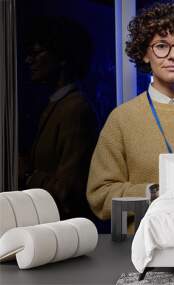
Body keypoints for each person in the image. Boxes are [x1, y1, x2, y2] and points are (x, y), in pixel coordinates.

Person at [86, 1, 174, 222]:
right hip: (141, 246)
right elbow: (100, 197)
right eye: (161, 46)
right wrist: (154, 193)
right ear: (144, 54)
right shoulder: (121, 119)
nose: (173, 55)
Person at [20, 17, 98, 220]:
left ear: (62, 57)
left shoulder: (75, 110)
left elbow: (68, 193)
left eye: (37, 53)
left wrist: (28, 176)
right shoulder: (56, 105)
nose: (29, 60)